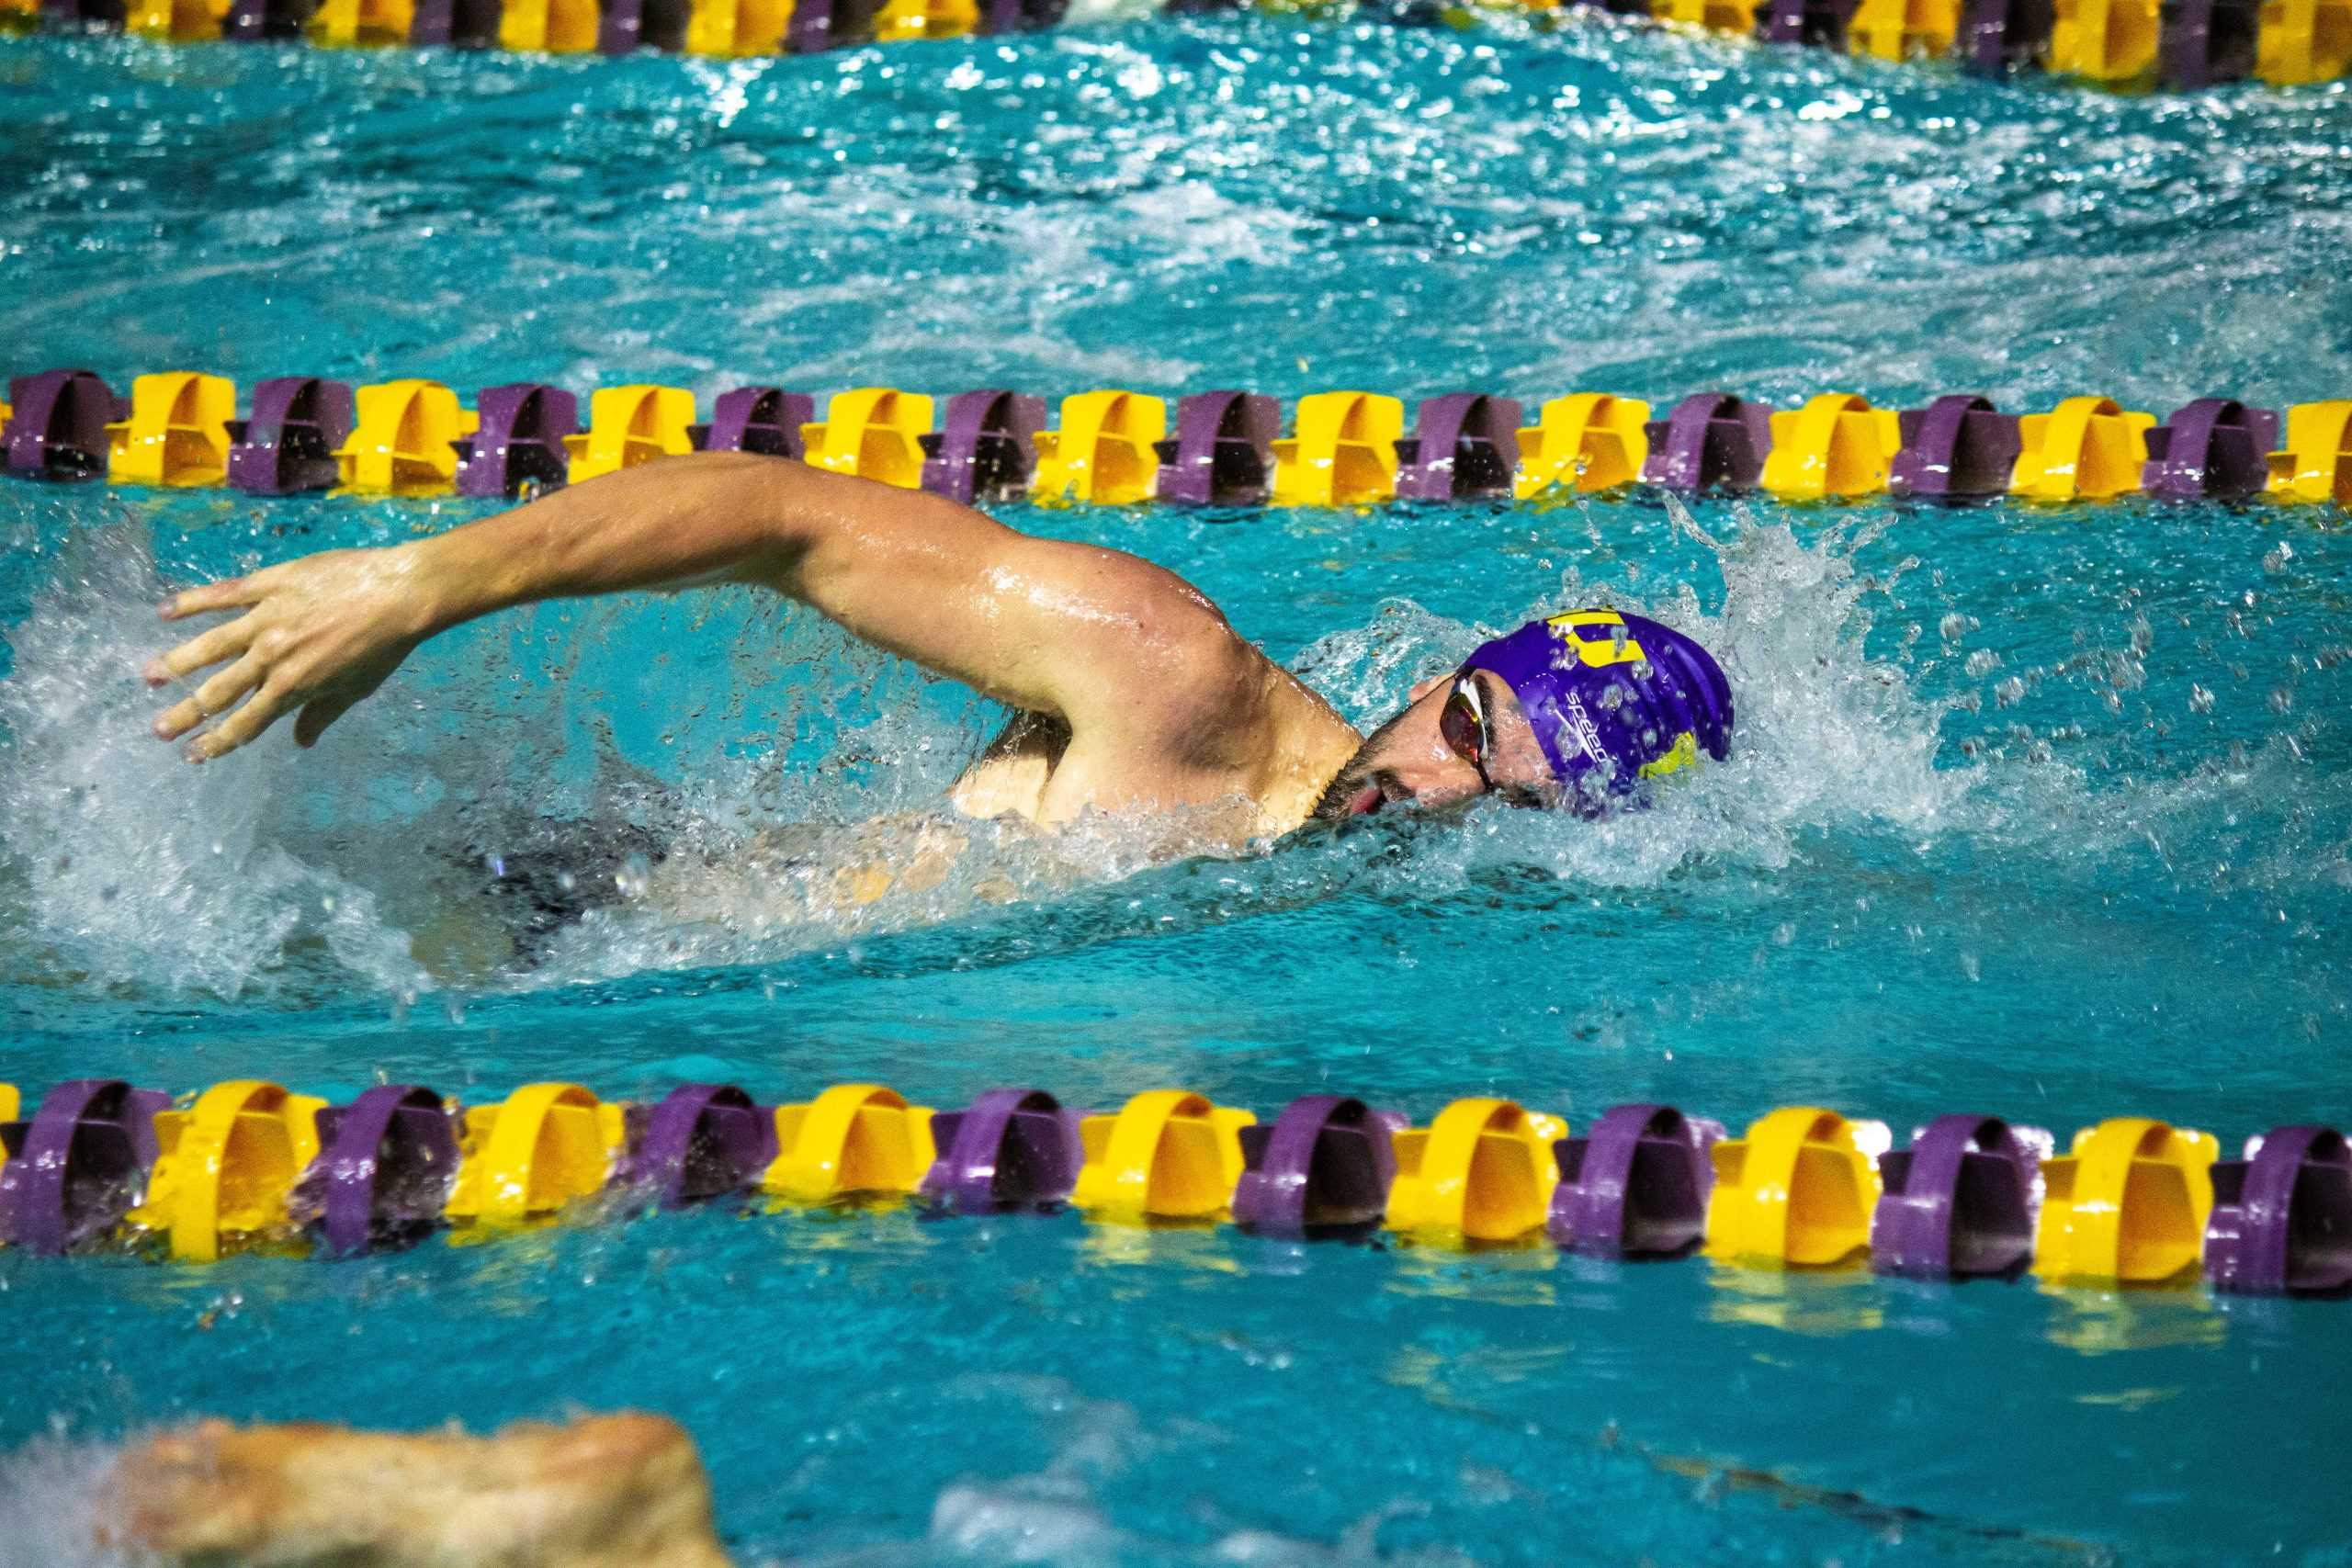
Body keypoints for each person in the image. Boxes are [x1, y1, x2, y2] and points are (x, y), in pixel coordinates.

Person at [144, 452, 1733, 845]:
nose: (1438, 794)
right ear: (1434, 673)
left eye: (1514, 801)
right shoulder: (1163, 666)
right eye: (1467, 725)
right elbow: (780, 516)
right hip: (565, 918)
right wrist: (418, 585)